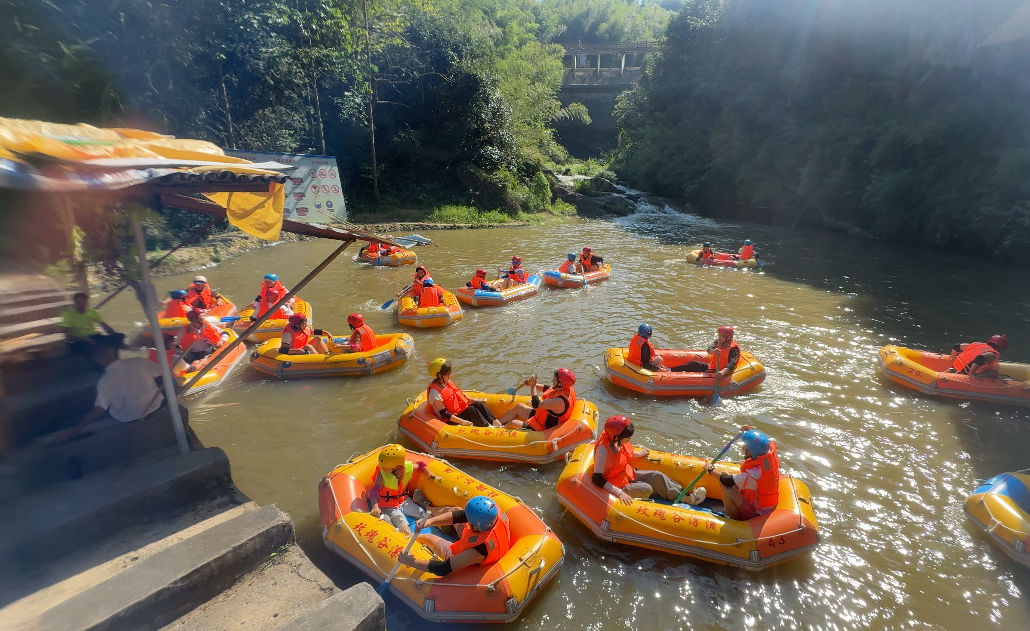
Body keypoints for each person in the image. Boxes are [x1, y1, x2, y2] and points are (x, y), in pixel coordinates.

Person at [57, 334, 165, 442]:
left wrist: (74, 430)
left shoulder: (105, 381)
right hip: (156, 406)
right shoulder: (138, 362)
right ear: (113, 350)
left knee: (76, 419)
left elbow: (99, 408)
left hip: (128, 418)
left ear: (95, 359)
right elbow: (163, 370)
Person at [591, 416, 705, 505]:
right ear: (617, 437)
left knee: (657, 475)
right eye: (628, 438)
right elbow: (597, 479)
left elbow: (622, 453)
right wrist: (619, 493)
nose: (629, 440)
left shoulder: (615, 439)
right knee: (647, 488)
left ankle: (685, 498)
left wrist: (638, 454)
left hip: (625, 473)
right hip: (615, 484)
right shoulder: (603, 451)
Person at [397, 496, 511, 576]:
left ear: (476, 526)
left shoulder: (479, 550)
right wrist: (430, 522)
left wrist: (411, 562)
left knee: (427, 537)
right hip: (475, 535)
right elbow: (460, 515)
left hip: (461, 554)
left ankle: (409, 536)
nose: (465, 518)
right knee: (456, 509)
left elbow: (444, 568)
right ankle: (428, 508)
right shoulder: (491, 516)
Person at [706, 427, 780, 520]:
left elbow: (727, 481)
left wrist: (711, 469)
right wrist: (749, 432)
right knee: (724, 475)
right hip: (760, 503)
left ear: (752, 451)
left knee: (728, 492)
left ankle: (735, 522)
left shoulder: (755, 474)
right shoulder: (767, 459)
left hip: (758, 515)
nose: (743, 448)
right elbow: (760, 444)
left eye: (746, 447)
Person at [368, 444, 441, 536]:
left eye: (386, 466)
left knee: (422, 513)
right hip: (388, 506)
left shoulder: (407, 468)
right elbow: (374, 490)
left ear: (397, 466)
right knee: (403, 524)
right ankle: (410, 538)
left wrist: (429, 473)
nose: (382, 467)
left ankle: (441, 525)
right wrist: (375, 506)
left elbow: (421, 464)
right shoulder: (381, 474)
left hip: (403, 501)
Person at [493, 368, 577, 430]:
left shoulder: (560, 401)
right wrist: (532, 384)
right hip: (541, 418)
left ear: (560, 384)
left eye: (554, 380)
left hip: (544, 427)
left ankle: (498, 432)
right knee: (519, 407)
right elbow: (547, 388)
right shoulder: (565, 388)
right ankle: (495, 425)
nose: (552, 381)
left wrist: (533, 386)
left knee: (513, 423)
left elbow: (536, 404)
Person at [426, 358, 497, 427]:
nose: (450, 375)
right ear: (439, 375)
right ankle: (488, 428)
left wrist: (475, 400)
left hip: (458, 412)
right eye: (448, 373)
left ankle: (497, 424)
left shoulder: (446, 383)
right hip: (450, 421)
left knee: (478, 404)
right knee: (471, 410)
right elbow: (445, 414)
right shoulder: (435, 392)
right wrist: (462, 421)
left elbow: (459, 395)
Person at [675, 326, 740, 375]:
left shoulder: (733, 349)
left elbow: (732, 363)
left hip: (723, 372)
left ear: (728, 338)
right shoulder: (718, 342)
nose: (719, 337)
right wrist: (712, 351)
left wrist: (723, 372)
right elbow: (709, 349)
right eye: (719, 335)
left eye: (722, 336)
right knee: (693, 364)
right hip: (712, 367)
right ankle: (671, 370)